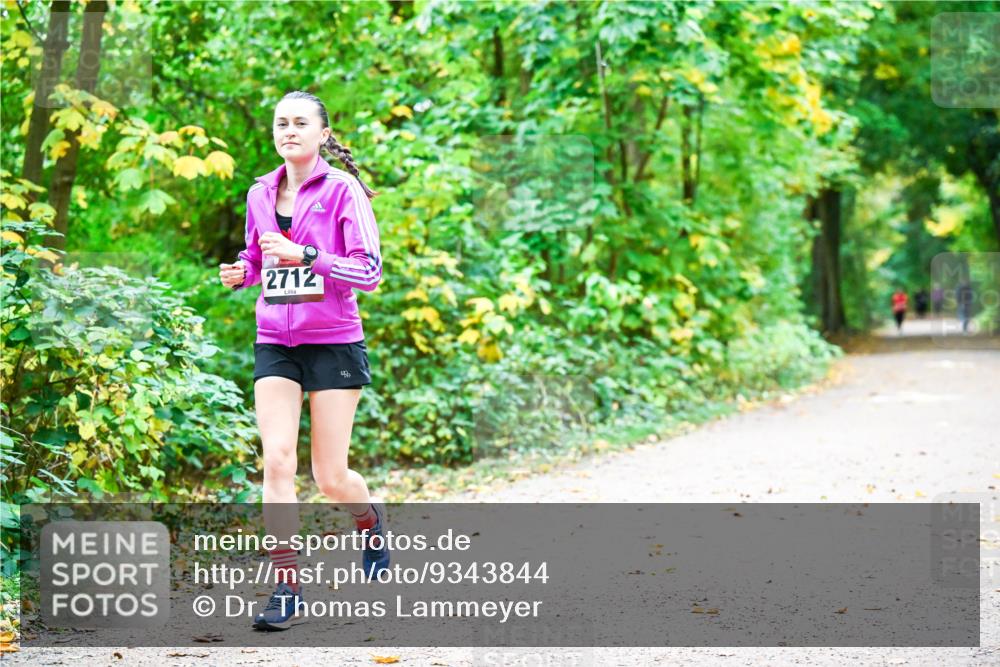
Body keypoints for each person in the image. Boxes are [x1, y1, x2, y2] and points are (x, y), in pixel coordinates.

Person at [219, 90, 388, 631]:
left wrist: (307, 255)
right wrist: (241, 272)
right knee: (277, 460)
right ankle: (287, 585)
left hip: (334, 340)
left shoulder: (344, 192)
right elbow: (254, 253)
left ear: (322, 134)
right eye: (280, 123)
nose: (288, 130)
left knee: (331, 477)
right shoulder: (259, 193)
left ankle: (369, 521)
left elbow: (370, 272)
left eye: (299, 123)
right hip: (275, 339)